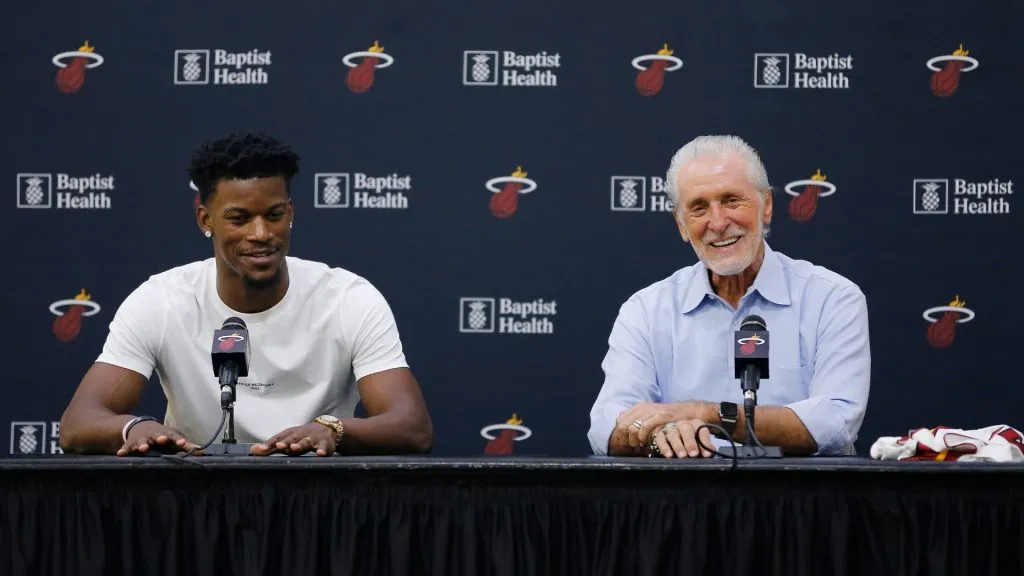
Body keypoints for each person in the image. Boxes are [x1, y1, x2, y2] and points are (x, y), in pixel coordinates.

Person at [59, 131, 433, 457]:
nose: (260, 234)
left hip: (316, 499)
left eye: (274, 215)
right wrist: (133, 428)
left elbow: (412, 426)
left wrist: (332, 430)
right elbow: (77, 424)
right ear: (206, 220)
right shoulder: (161, 300)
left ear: (291, 213)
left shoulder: (348, 298)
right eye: (239, 219)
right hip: (196, 501)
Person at [587, 135, 870, 458]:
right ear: (681, 224)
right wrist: (658, 433)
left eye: (732, 200)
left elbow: (836, 423)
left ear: (767, 207)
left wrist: (706, 414)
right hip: (684, 501)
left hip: (800, 501)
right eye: (699, 208)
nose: (719, 223)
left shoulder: (832, 298)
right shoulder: (646, 310)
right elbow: (605, 426)